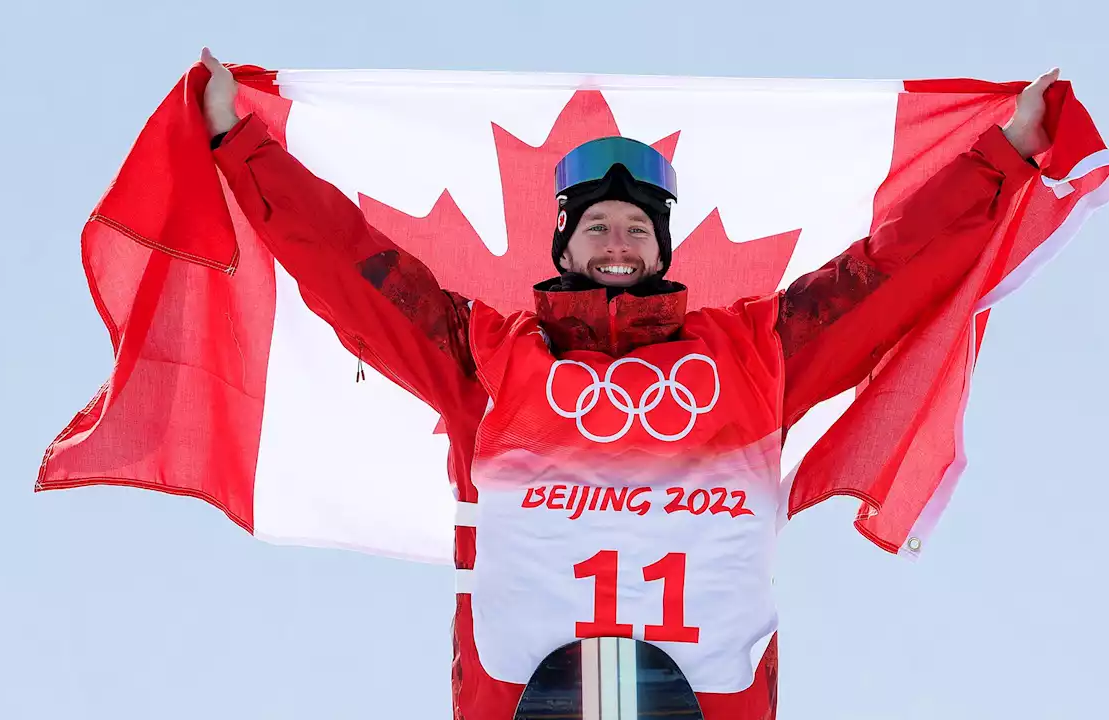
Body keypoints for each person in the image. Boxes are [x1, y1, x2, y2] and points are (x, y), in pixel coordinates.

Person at [200, 48, 1057, 720]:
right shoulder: (490, 356)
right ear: (564, 244)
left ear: (663, 249)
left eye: (638, 229)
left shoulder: (753, 353)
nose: (619, 243)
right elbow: (356, 268)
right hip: (524, 692)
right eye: (600, 225)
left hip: (707, 692)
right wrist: (238, 147)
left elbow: (886, 274)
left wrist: (1004, 157)